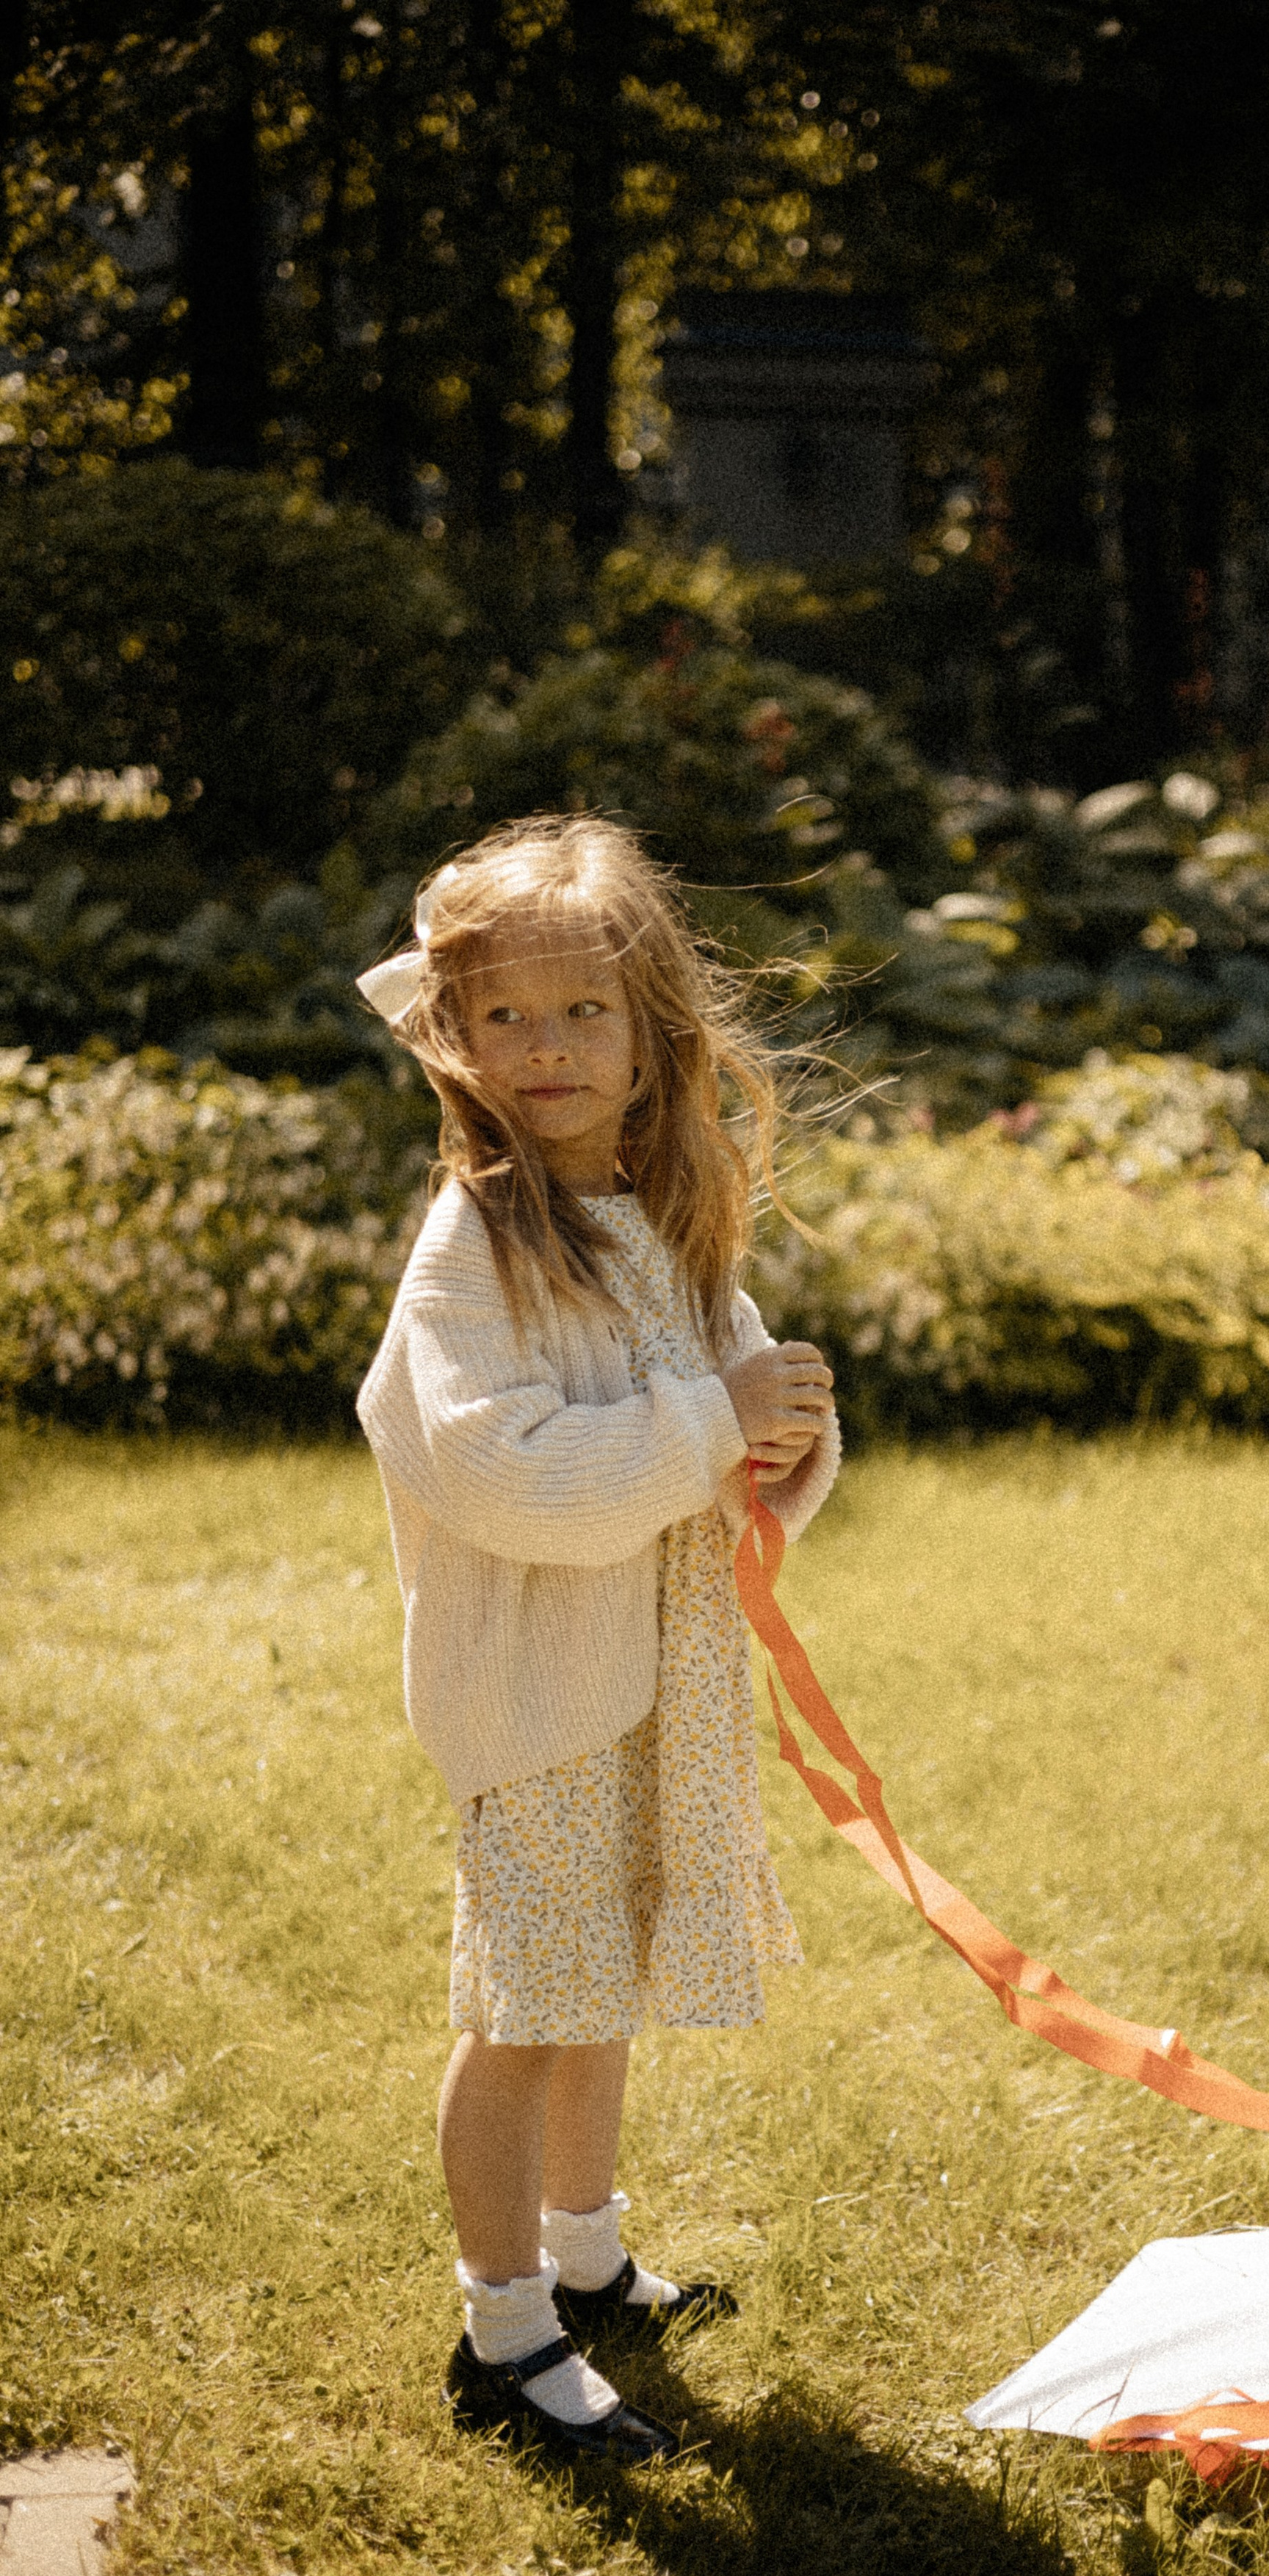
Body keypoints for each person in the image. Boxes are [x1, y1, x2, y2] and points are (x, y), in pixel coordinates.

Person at [354, 812, 839, 2464]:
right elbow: (511, 1478)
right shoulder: (471, 1248)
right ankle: (503, 2331)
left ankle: (586, 2250)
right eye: (504, 1017)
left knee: (602, 1976)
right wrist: (712, 1422)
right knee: (527, 2004)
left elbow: (731, 1410)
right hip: (541, 1700)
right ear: (456, 1039)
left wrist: (782, 1439)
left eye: (584, 1015)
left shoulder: (658, 1213)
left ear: (651, 1041)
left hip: (653, 1685)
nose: (545, 1050)